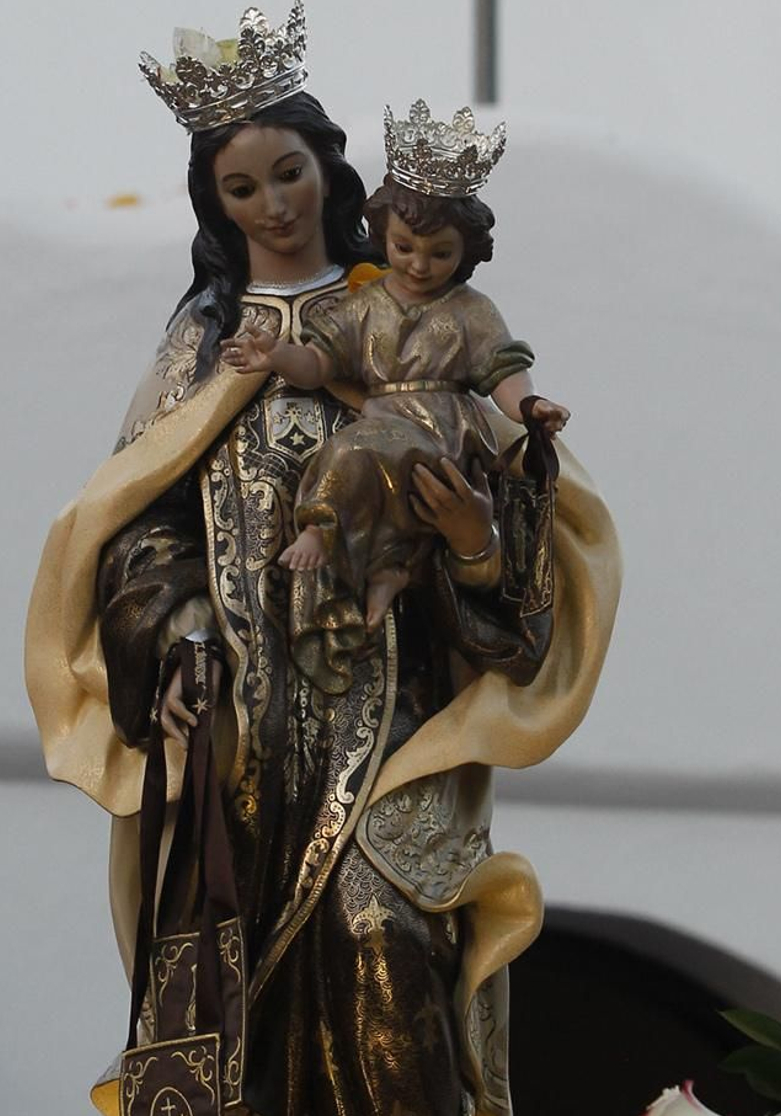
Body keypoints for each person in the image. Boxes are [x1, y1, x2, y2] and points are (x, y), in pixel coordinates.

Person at [25, 1, 621, 1116]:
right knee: (246, 1021)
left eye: (288, 173)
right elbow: (137, 529)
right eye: (240, 187)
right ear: (213, 203)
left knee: (382, 945)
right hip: (241, 752)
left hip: (389, 727)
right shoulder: (202, 347)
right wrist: (169, 644)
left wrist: (476, 536)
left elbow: (515, 589)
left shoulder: (404, 322)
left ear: (329, 170)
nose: (273, 203)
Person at [220, 99, 569, 692]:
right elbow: (317, 363)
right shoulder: (362, 305)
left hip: (442, 432)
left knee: (355, 454)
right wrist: (275, 355)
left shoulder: (471, 312)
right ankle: (388, 572)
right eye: (406, 248)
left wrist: (529, 408)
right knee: (381, 474)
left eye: (440, 254)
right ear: (383, 237)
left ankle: (321, 527)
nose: (421, 264)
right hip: (388, 427)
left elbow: (502, 370)